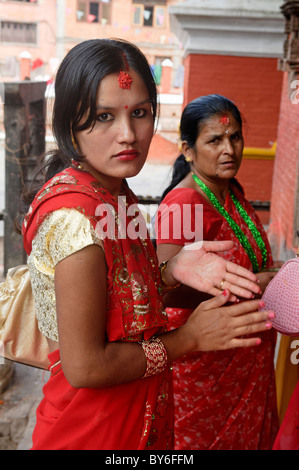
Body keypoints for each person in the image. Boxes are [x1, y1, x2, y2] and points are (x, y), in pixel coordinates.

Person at [19, 41, 274, 450]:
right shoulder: (74, 219)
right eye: (104, 116)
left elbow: (122, 296)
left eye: (139, 113)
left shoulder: (116, 195)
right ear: (70, 126)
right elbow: (86, 366)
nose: (128, 135)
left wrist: (171, 271)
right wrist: (189, 339)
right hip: (92, 430)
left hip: (138, 416)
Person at [155, 94, 281, 450]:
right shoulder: (184, 202)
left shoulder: (231, 191)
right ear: (188, 149)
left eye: (235, 137)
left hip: (244, 354)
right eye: (214, 140)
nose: (229, 149)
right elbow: (166, 286)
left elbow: (246, 260)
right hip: (206, 364)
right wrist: (251, 286)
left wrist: (272, 274)